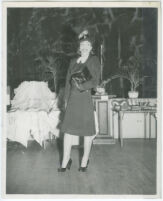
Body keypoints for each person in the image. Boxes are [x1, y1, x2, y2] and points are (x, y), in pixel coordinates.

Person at [58, 30, 101, 172]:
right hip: (72, 101)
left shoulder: (94, 60)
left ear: (91, 47)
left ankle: (84, 161)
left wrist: (81, 86)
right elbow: (67, 83)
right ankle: (65, 161)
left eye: (87, 44)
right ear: (79, 47)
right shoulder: (72, 62)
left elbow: (95, 81)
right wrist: (65, 100)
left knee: (87, 132)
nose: (84, 47)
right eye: (82, 44)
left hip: (85, 99)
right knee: (68, 132)